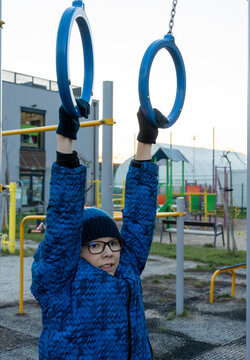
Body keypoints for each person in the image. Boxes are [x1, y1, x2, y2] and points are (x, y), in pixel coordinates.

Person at [31, 98, 168, 359]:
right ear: (76, 250)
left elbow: (140, 218)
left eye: (113, 243)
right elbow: (62, 226)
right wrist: (66, 138)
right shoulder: (60, 282)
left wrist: (146, 140)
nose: (108, 253)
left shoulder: (126, 267)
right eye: (95, 245)